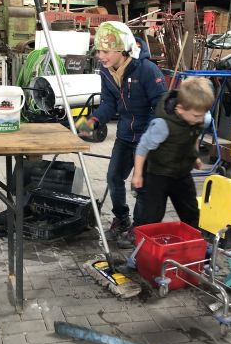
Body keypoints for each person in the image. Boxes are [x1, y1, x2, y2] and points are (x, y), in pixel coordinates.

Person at [76, 21, 167, 243]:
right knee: (113, 178)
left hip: (147, 138)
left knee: (141, 185)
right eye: (98, 51)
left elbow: (161, 107)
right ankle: (122, 219)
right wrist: (92, 121)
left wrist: (151, 137)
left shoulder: (147, 70)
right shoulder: (106, 72)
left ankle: (139, 227)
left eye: (106, 51)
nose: (100, 56)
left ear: (123, 49)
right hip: (125, 135)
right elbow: (109, 103)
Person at [120, 76, 215, 248]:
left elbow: (193, 134)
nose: (201, 119)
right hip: (158, 175)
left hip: (182, 174)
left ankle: (195, 247)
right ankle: (143, 250)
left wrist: (195, 156)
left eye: (203, 115)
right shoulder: (161, 126)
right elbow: (142, 148)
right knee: (152, 216)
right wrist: (138, 175)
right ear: (180, 109)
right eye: (197, 115)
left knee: (191, 212)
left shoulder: (197, 117)